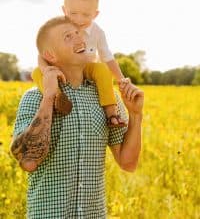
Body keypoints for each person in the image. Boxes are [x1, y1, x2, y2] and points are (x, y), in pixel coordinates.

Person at [11, 16, 144, 219]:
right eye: (68, 36)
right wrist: (49, 96)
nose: (80, 39)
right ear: (50, 55)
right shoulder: (34, 97)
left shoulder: (108, 98)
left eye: (79, 33)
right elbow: (29, 162)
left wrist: (136, 115)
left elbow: (128, 163)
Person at [32, 0, 132, 127]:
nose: (78, 20)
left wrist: (121, 79)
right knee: (37, 72)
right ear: (64, 10)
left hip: (86, 68)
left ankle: (112, 114)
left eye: (86, 15)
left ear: (95, 14)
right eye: (73, 13)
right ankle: (57, 98)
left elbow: (107, 57)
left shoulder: (97, 32)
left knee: (102, 69)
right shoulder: (59, 27)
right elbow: (43, 52)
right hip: (61, 68)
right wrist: (46, 69)